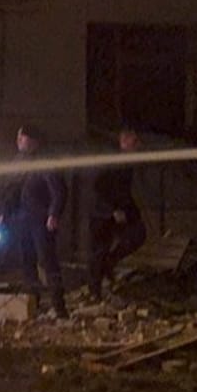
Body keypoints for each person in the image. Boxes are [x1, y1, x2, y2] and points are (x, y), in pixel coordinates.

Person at [0, 123, 69, 318]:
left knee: (48, 261)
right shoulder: (18, 162)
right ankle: (33, 305)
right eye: (18, 137)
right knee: (27, 262)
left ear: (33, 140)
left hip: (40, 221)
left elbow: (58, 190)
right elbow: (10, 190)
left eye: (22, 137)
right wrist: (4, 213)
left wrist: (54, 213)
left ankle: (59, 308)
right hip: (22, 220)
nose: (18, 141)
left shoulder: (45, 160)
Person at [87, 128, 148, 302]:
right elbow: (98, 187)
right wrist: (112, 209)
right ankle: (95, 291)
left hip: (117, 209)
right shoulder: (112, 160)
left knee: (137, 234)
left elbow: (122, 190)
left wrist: (130, 211)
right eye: (134, 142)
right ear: (125, 141)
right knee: (99, 249)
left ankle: (108, 265)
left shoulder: (126, 162)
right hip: (101, 212)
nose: (137, 147)